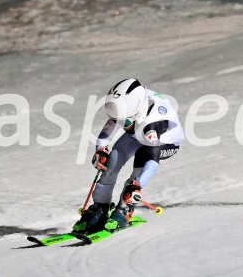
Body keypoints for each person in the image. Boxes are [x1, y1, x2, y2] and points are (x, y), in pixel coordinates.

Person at [73, 78, 184, 233]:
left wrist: (138, 186)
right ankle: (100, 207)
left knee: (139, 165)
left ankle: (125, 208)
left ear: (136, 114)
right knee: (112, 162)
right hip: (137, 133)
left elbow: (152, 159)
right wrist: (101, 150)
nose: (119, 124)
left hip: (162, 143)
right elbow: (106, 133)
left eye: (123, 122)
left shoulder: (152, 124)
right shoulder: (128, 106)